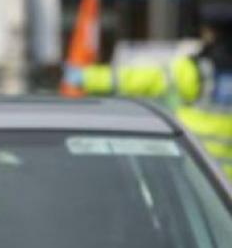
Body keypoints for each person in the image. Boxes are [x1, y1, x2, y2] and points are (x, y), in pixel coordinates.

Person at [64, 27, 232, 179]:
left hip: (196, 169)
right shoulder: (196, 70)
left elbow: (141, 80)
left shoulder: (195, 69)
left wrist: (86, 77)